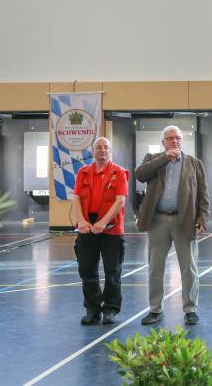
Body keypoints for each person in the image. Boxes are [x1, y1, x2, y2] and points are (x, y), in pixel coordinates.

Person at [135, 125, 210, 326]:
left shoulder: (194, 163)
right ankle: (155, 309)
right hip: (157, 220)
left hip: (185, 220)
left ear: (182, 141)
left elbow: (204, 193)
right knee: (155, 267)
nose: (174, 141)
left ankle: (190, 309)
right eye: (170, 138)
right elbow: (140, 175)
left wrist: (202, 218)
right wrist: (164, 159)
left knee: (189, 267)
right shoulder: (152, 158)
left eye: (177, 138)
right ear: (163, 142)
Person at [72, 136, 129, 325]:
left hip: (111, 229)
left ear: (110, 151)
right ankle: (92, 308)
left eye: (106, 147)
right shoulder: (83, 173)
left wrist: (103, 222)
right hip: (86, 228)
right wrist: (81, 221)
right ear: (93, 151)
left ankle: (110, 309)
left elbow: (120, 201)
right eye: (98, 147)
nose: (102, 150)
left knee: (113, 271)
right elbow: (76, 198)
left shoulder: (119, 173)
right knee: (87, 270)